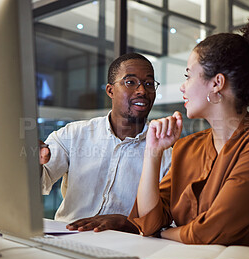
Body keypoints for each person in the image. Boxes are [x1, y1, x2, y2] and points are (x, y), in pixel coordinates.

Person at [128, 18, 249, 253]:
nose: (183, 87)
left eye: (188, 76)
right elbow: (147, 223)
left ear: (217, 83)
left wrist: (163, 234)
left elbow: (213, 232)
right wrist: (152, 153)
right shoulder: (186, 147)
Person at [40, 53, 172, 228]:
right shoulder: (74, 134)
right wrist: (35, 163)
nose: (142, 91)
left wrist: (127, 223)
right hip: (68, 235)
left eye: (149, 84)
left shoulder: (166, 153)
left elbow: (167, 220)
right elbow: (40, 183)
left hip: (128, 244)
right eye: (130, 82)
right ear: (110, 90)